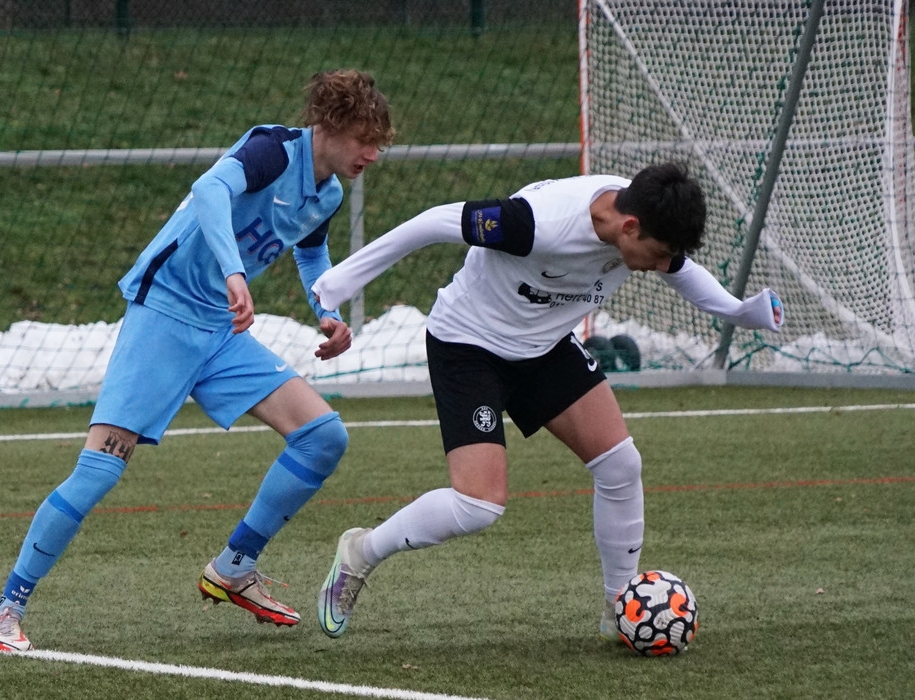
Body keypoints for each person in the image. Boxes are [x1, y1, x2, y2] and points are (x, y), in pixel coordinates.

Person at [0, 69, 395, 652]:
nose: (372, 154)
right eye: (363, 139)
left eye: (379, 144)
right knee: (100, 470)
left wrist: (325, 308)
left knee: (322, 437)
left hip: (221, 332)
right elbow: (209, 190)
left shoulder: (327, 194)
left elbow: (311, 252)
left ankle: (233, 567)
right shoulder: (273, 151)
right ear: (330, 125)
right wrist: (234, 273)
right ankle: (4, 609)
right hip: (165, 315)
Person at [310, 163, 784, 640]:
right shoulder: (537, 222)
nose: (662, 267)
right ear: (629, 227)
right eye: (658, 255)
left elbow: (683, 271)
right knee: (478, 505)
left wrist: (742, 311)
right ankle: (361, 551)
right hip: (468, 345)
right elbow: (431, 222)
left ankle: (620, 610)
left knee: (621, 466)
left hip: (544, 346)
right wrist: (334, 288)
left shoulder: (642, 217)